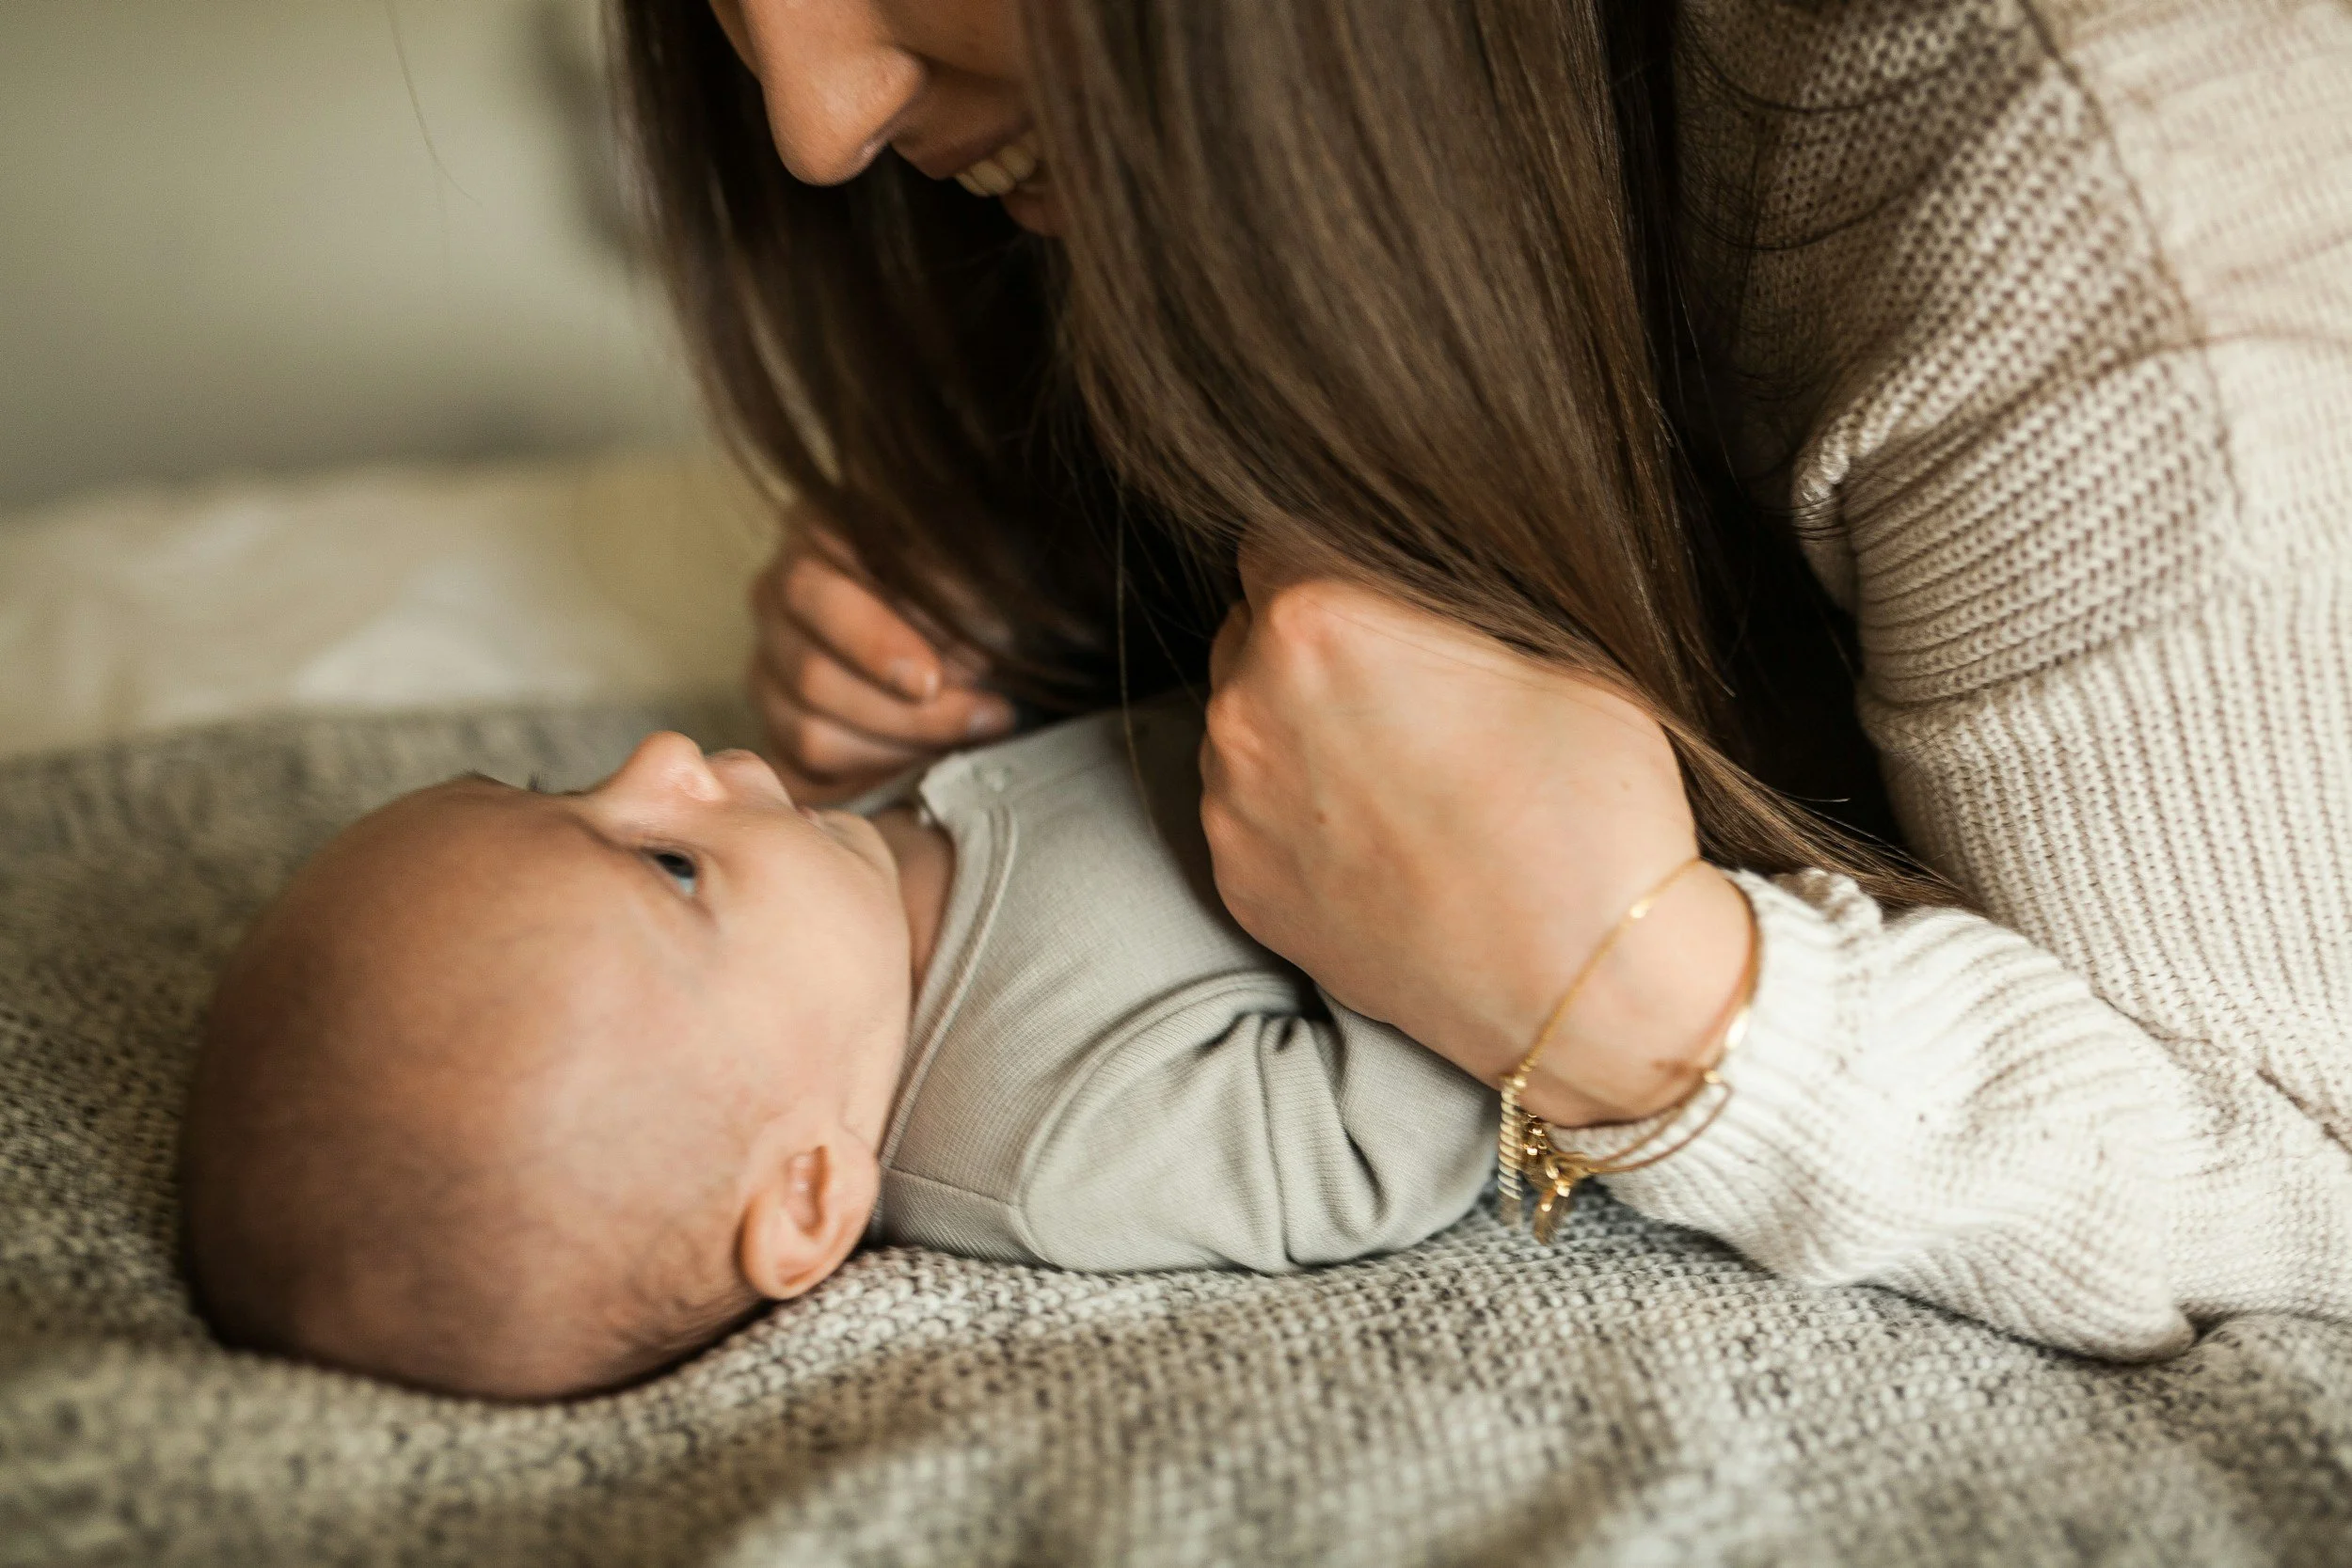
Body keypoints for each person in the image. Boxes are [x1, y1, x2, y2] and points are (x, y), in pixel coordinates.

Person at [619, 0, 2352, 1358]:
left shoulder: (2086, 191)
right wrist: (1028, 605)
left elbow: (2314, 1185)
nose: (810, 119)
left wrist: (1643, 1007)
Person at [179, 704, 1493, 1400]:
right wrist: (1441, 875)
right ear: (808, 1194)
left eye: (559, 788)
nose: (663, 755)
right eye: (670, 865)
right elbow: (1380, 1151)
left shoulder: (855, 882)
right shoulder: (1051, 1138)